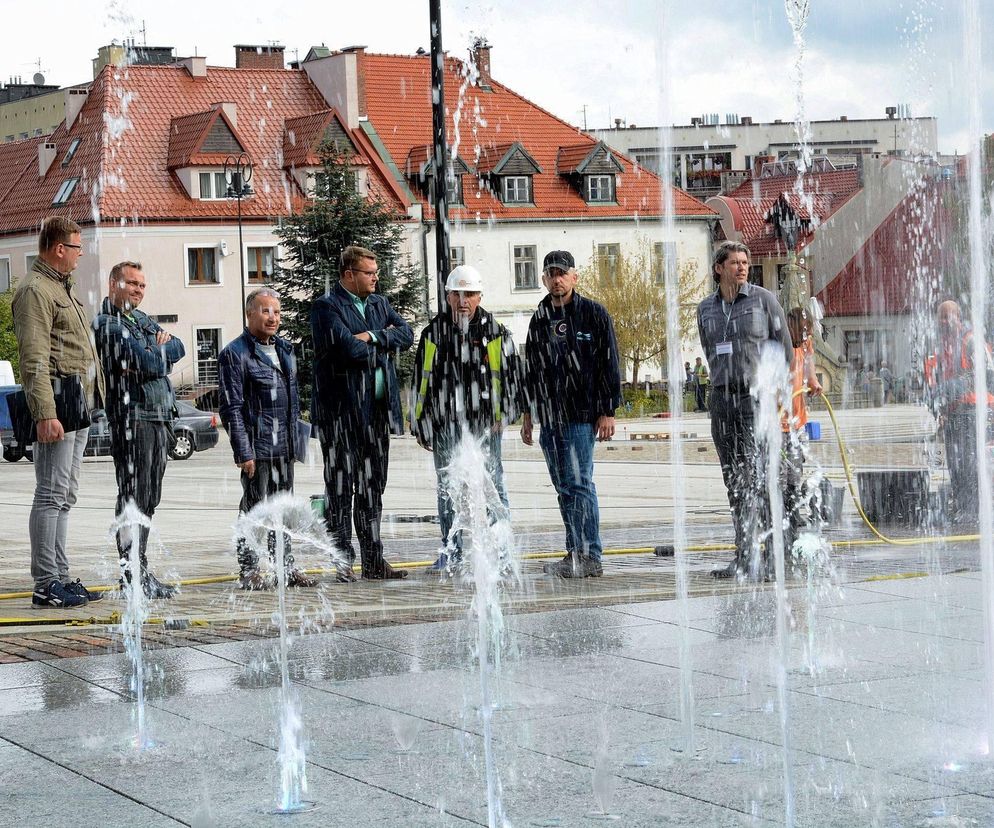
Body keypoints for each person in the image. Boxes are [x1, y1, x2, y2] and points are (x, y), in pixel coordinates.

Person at [11, 217, 105, 608]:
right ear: (58, 248)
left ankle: (61, 576)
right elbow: (33, 357)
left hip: (76, 406)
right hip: (57, 406)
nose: (81, 255)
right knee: (50, 494)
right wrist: (45, 413)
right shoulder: (36, 290)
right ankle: (46, 582)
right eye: (77, 247)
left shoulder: (60, 288)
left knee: (65, 495)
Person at [311, 245, 414, 580]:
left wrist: (373, 335)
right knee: (341, 489)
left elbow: (407, 335)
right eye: (369, 273)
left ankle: (373, 560)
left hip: (377, 416)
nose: (375, 278)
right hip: (341, 415)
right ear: (348, 275)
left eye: (376, 272)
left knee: (373, 488)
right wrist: (382, 342)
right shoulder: (327, 307)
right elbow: (347, 349)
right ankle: (342, 560)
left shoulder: (379, 304)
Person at [412, 265, 523, 571]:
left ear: (479, 296)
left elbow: (513, 379)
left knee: (493, 487)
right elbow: (421, 382)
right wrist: (419, 422)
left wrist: (507, 413)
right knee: (448, 487)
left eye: (470, 294)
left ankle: (501, 553)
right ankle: (454, 552)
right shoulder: (433, 333)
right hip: (445, 423)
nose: (463, 300)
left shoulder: (496, 332)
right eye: (457, 294)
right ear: (448, 296)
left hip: (485, 423)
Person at [522, 250, 621, 578]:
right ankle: (573, 552)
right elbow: (532, 369)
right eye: (551, 274)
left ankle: (590, 554)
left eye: (562, 273)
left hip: (581, 415)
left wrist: (608, 410)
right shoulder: (540, 317)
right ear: (544, 279)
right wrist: (527, 413)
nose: (557, 279)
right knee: (563, 487)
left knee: (579, 484)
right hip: (550, 417)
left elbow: (610, 363)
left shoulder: (593, 313)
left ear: (574, 276)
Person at [697, 241, 792, 580]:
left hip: (756, 399)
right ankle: (744, 555)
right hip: (722, 400)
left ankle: (771, 554)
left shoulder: (763, 300)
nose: (741, 267)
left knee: (761, 477)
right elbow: (710, 351)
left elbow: (784, 348)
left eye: (744, 262)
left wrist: (781, 391)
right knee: (734, 480)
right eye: (734, 262)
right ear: (718, 268)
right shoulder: (705, 308)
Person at [93, 262, 184, 599]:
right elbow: (148, 362)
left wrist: (155, 352)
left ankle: (139, 568)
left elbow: (178, 347)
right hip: (134, 417)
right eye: (132, 283)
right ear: (113, 283)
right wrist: (157, 354)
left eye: (143, 285)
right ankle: (131, 573)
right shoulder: (107, 324)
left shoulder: (141, 319)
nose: (138, 290)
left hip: (159, 415)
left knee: (149, 498)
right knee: (134, 496)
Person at [219, 288, 319, 590]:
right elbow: (231, 407)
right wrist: (243, 450)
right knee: (253, 510)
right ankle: (249, 569)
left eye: (276, 311)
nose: (272, 317)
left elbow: (291, 399)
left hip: (284, 447)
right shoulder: (235, 354)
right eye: (265, 311)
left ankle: (285, 567)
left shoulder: (286, 349)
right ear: (250, 314)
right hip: (258, 448)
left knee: (283, 510)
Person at [925, 299, 994, 523]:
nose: (943, 322)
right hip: (955, 413)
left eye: (948, 316)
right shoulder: (944, 344)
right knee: (956, 464)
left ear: (958, 317)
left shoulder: (971, 340)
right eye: (941, 317)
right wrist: (939, 404)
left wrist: (950, 389)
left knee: (969, 462)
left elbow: (984, 374)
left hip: (973, 411)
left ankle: (974, 510)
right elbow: (939, 378)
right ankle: (964, 507)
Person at [780, 307, 823, 562]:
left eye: (807, 331)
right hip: (778, 424)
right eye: (801, 330)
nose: (805, 335)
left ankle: (793, 522)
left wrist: (814, 382)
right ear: (790, 325)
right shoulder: (779, 345)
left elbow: (809, 369)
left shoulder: (805, 344)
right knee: (781, 476)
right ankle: (780, 526)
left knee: (795, 475)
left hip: (798, 422)